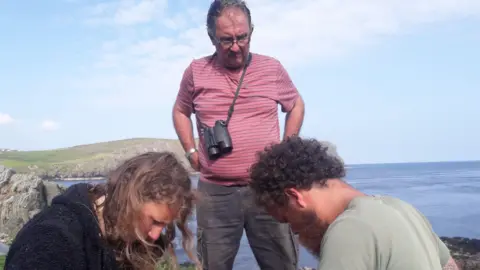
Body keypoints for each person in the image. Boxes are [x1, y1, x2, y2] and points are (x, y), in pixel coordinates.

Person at [172, 0, 305, 268]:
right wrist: (190, 152)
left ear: (251, 32)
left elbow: (296, 105)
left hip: (267, 189)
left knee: (282, 264)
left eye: (242, 37)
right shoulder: (196, 72)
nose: (236, 46)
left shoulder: (272, 68)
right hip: (215, 194)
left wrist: (286, 149)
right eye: (226, 40)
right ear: (211, 38)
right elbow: (180, 111)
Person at [249, 136, 460, 270]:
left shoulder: (348, 229)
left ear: (295, 197)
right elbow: (450, 266)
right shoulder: (401, 207)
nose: (293, 230)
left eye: (286, 218)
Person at [5, 152, 201, 270]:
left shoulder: (125, 238)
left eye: (164, 225)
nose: (156, 234)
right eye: (154, 221)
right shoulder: (50, 242)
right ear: (129, 200)